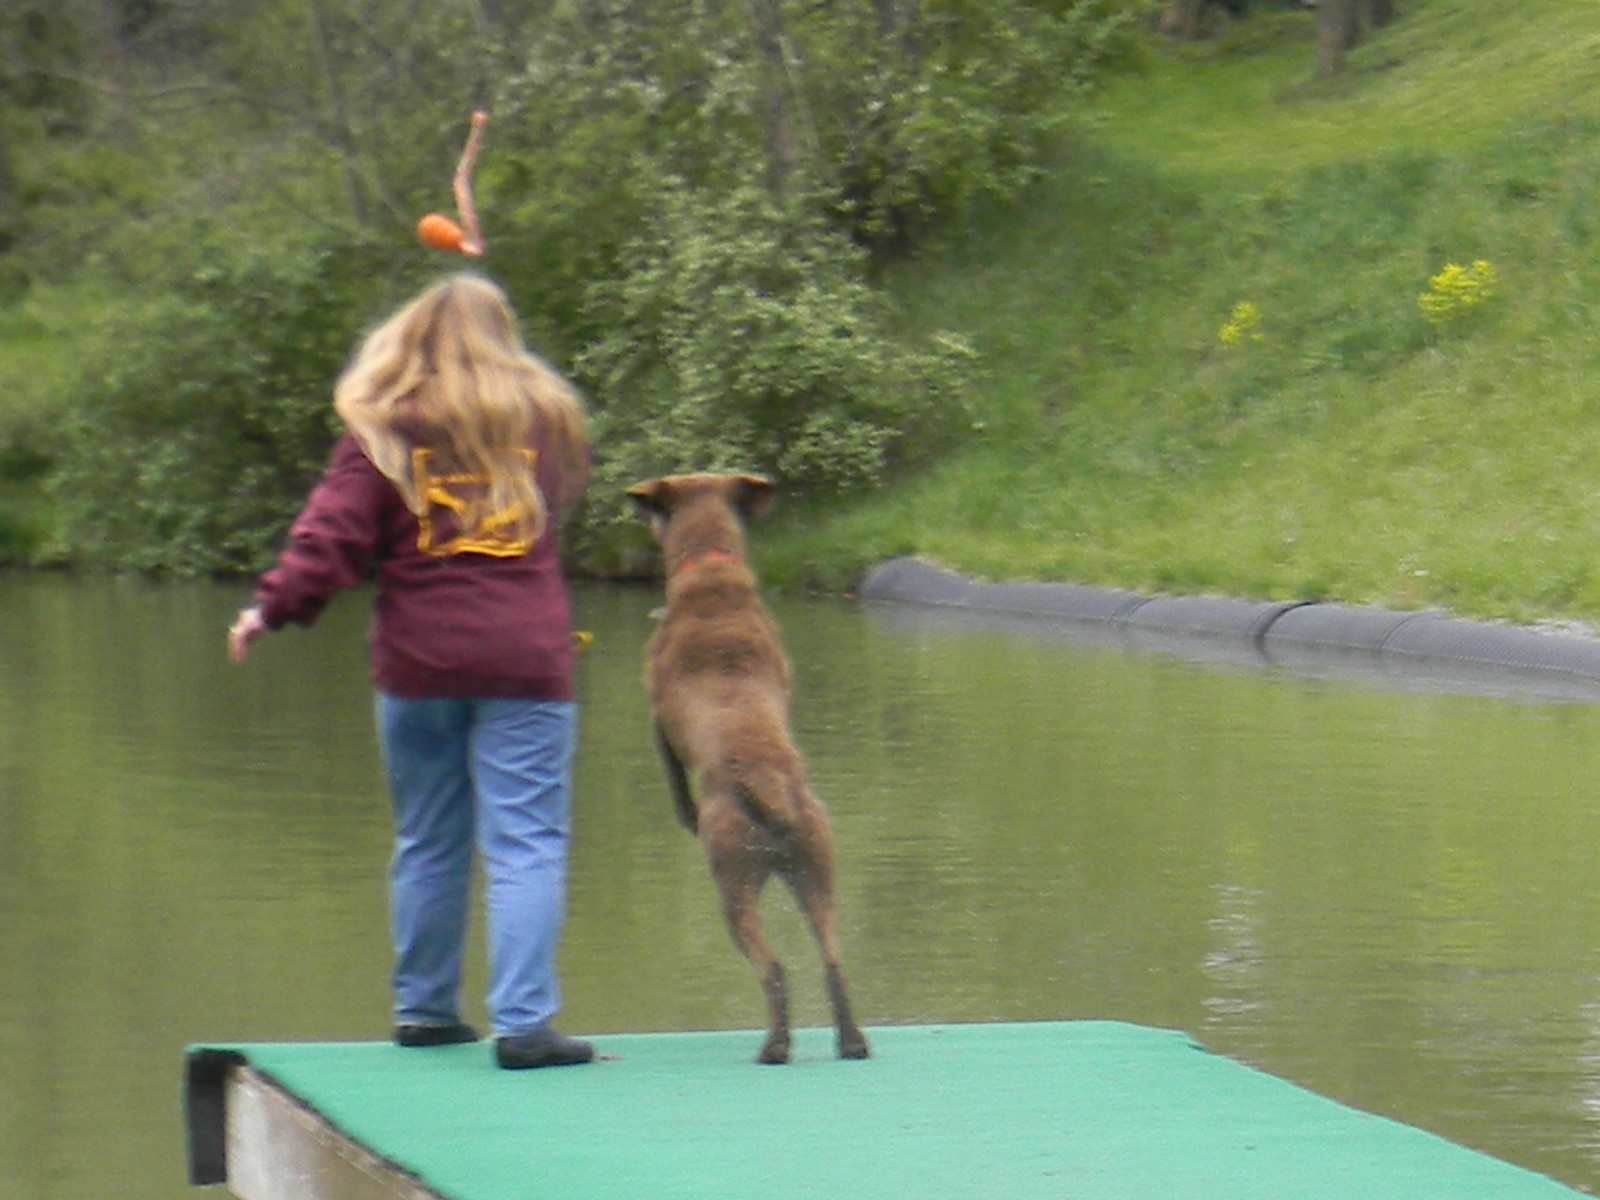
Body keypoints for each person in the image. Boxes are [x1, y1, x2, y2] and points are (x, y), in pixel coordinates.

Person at [227, 272, 595, 1069]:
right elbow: (560, 497)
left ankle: (425, 1012)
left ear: (410, 340)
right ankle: (525, 1025)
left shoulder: (385, 431)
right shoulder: (547, 423)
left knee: (428, 838)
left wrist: (271, 609)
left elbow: (331, 536)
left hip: (420, 664)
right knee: (527, 842)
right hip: (525, 661)